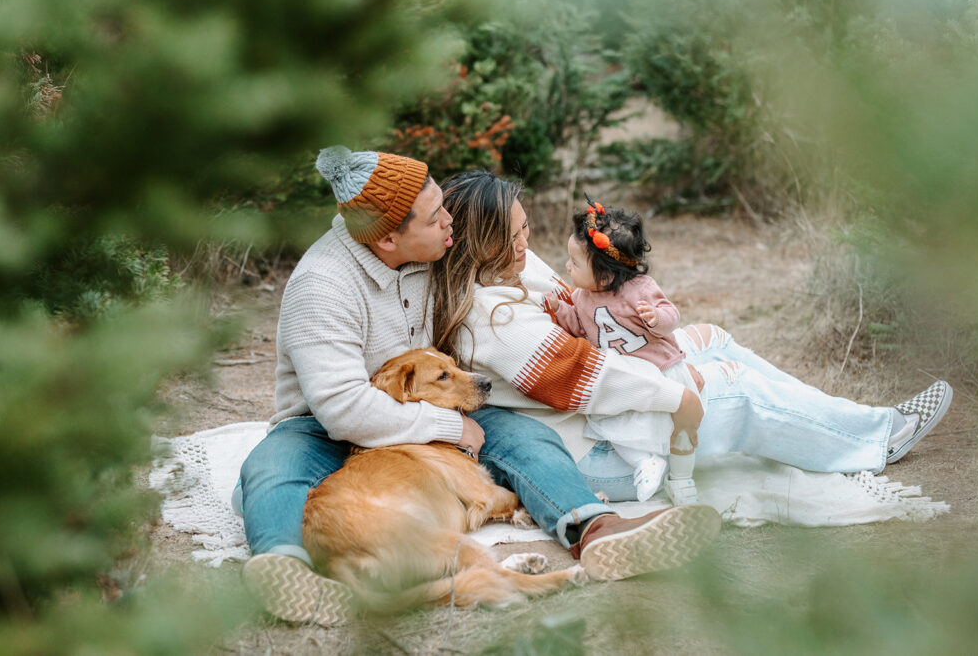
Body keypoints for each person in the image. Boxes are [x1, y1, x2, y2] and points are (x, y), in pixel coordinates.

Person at [235, 147, 721, 626]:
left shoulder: (435, 248)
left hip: (439, 399)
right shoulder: (323, 286)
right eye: (434, 216)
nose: (450, 221)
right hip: (325, 426)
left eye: (443, 205)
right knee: (270, 465)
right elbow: (343, 408)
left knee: (524, 437)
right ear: (387, 241)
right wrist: (449, 427)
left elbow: (512, 259)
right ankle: (288, 570)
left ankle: (594, 527)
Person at [430, 170, 953, 504]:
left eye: (525, 230)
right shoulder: (489, 318)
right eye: (516, 234)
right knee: (731, 388)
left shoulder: (509, 269)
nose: (527, 241)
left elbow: (578, 307)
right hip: (597, 444)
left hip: (606, 403)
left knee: (715, 339)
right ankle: (877, 438)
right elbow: (583, 379)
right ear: (484, 241)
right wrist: (676, 391)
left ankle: (835, 419)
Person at [546, 197, 701, 505]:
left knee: (680, 431)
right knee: (614, 427)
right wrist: (559, 310)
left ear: (604, 275)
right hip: (625, 379)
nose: (567, 266)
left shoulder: (641, 290)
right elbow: (578, 325)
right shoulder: (582, 296)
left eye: (574, 263)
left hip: (659, 371)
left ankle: (682, 480)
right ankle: (645, 462)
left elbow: (671, 314)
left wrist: (657, 319)